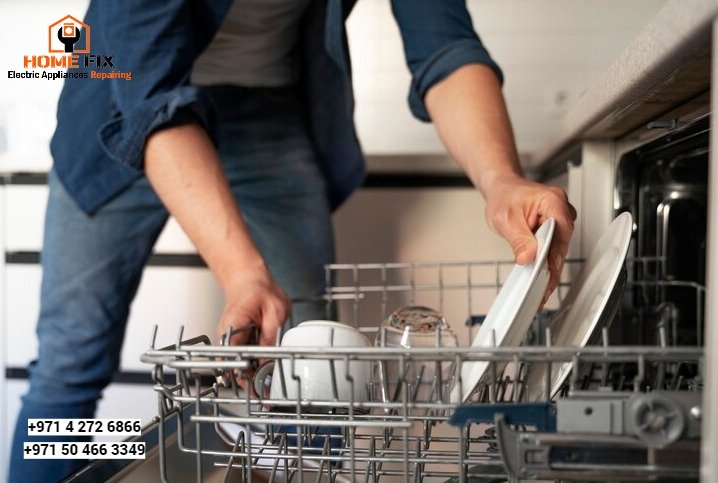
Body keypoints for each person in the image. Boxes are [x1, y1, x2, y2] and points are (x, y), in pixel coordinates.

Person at [8, 0, 576, 480]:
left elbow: (444, 44)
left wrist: (500, 179)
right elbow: (151, 97)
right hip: (124, 102)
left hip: (267, 113)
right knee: (70, 363)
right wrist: (242, 271)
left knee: (316, 371)